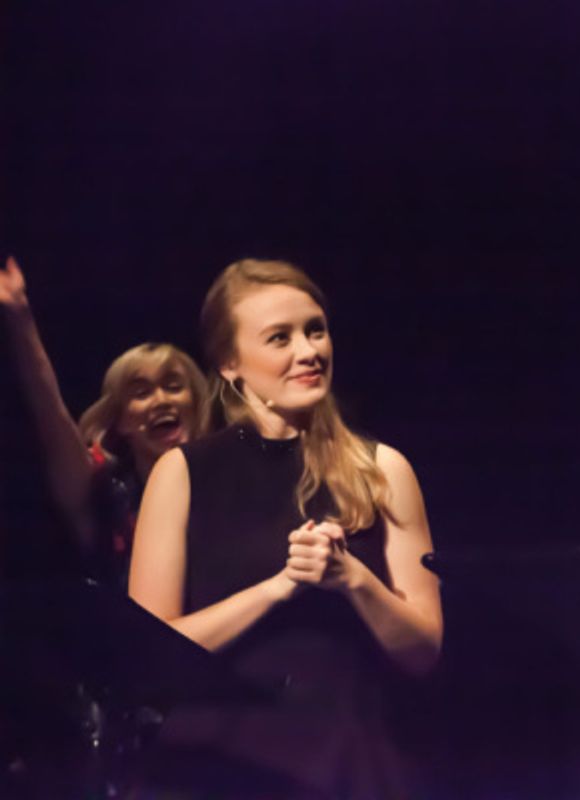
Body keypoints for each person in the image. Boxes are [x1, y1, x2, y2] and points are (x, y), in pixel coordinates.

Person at [128, 258, 442, 797]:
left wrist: (355, 580)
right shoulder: (183, 473)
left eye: (315, 330)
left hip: (348, 760)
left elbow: (423, 652)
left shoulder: (382, 469)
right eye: (280, 338)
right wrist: (277, 589)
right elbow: (146, 656)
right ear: (230, 363)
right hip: (215, 761)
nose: (308, 352)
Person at [0, 256, 209, 585]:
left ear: (195, 404)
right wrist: (19, 316)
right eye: (141, 393)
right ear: (121, 422)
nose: (162, 400)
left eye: (173, 386)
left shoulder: (231, 478)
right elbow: (51, 416)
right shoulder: (103, 497)